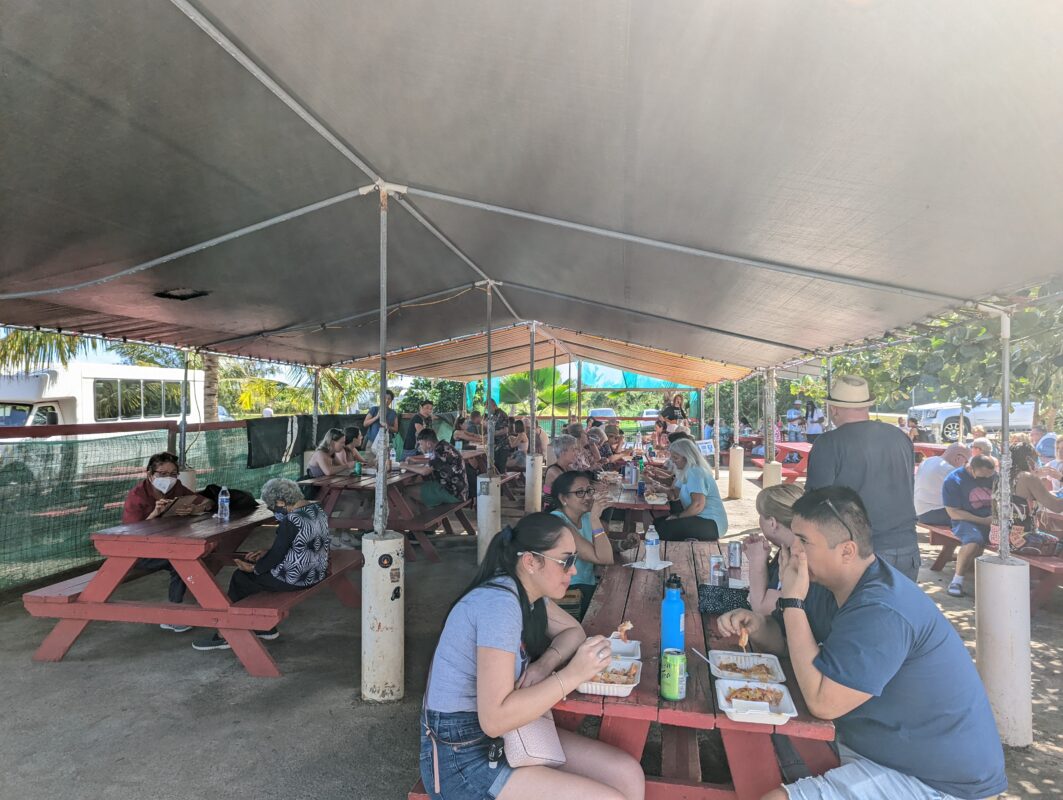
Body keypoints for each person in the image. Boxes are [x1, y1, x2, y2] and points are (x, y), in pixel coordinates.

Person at [720, 487, 1006, 800]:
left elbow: (822, 702)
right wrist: (759, 625)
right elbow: (791, 643)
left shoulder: (882, 609)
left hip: (934, 780)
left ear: (846, 551)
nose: (795, 549)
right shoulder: (828, 584)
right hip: (874, 745)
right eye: (795, 536)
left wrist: (791, 600)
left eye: (805, 542)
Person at [419, 513, 645, 800]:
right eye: (566, 561)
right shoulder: (498, 604)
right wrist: (572, 674)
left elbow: (573, 631)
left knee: (626, 773)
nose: (574, 571)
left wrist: (544, 664)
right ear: (530, 562)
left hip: (511, 735)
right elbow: (495, 719)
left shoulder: (527, 594)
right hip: (463, 758)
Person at [193, 478, 330, 651]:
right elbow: (297, 544)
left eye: (273, 506)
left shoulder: (291, 520)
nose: (274, 511)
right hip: (317, 572)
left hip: (296, 579)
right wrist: (266, 553)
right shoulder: (316, 510)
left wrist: (255, 568)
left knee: (241, 577)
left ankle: (225, 635)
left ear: (281, 502)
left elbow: (277, 555)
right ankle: (263, 628)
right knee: (256, 576)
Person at [806, 375, 920, 582]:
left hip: (860, 552)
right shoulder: (900, 437)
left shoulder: (829, 443)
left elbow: (815, 503)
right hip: (907, 547)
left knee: (858, 613)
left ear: (834, 409)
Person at [122, 451, 213, 631]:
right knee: (182, 562)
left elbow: (207, 502)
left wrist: (194, 508)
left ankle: (185, 606)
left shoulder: (176, 488)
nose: (169, 478)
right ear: (150, 474)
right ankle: (175, 614)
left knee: (202, 553)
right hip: (137, 551)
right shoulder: (138, 495)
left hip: (166, 545)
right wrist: (153, 515)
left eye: (173, 474)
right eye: (162, 474)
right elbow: (129, 535)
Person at [548, 471, 614, 617]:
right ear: (563, 498)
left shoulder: (585, 517)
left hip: (586, 586)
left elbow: (601, 548)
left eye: (589, 491)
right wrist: (596, 519)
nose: (588, 497)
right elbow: (605, 559)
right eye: (580, 493)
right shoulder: (559, 522)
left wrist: (622, 545)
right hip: (567, 592)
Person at [744, 483, 804, 615]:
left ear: (772, 523)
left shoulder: (796, 557)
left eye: (760, 515)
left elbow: (762, 610)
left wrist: (757, 562)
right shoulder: (789, 547)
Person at [941, 454, 997, 597]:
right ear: (971, 469)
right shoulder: (953, 480)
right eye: (983, 477)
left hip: (993, 519)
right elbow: (953, 512)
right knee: (973, 542)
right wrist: (983, 521)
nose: (987, 479)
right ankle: (957, 581)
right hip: (965, 520)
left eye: (990, 476)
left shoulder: (994, 476)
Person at [652, 437, 727, 541]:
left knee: (663, 529)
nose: (673, 461)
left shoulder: (695, 471)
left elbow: (698, 505)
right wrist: (658, 487)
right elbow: (674, 494)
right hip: (701, 519)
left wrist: (678, 517)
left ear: (687, 457)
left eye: (676, 457)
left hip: (711, 522)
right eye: (672, 457)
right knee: (657, 523)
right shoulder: (685, 471)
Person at [402, 429, 469, 510]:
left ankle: (415, 520)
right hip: (460, 491)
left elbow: (424, 471)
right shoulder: (444, 446)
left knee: (406, 490)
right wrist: (415, 461)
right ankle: (425, 514)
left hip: (452, 493)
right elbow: (434, 461)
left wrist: (404, 466)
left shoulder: (439, 451)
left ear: (428, 444)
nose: (419, 447)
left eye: (420, 444)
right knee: (420, 483)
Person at [1008, 442, 1063, 534]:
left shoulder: (1002, 475)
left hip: (1000, 534)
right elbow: (1057, 507)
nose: (1037, 461)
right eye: (1036, 458)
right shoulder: (1028, 477)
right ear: (1028, 460)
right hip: (1023, 536)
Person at [913, 444, 970, 527]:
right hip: (934, 513)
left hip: (919, 510)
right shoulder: (949, 470)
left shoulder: (928, 461)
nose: (964, 466)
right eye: (966, 462)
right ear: (958, 458)